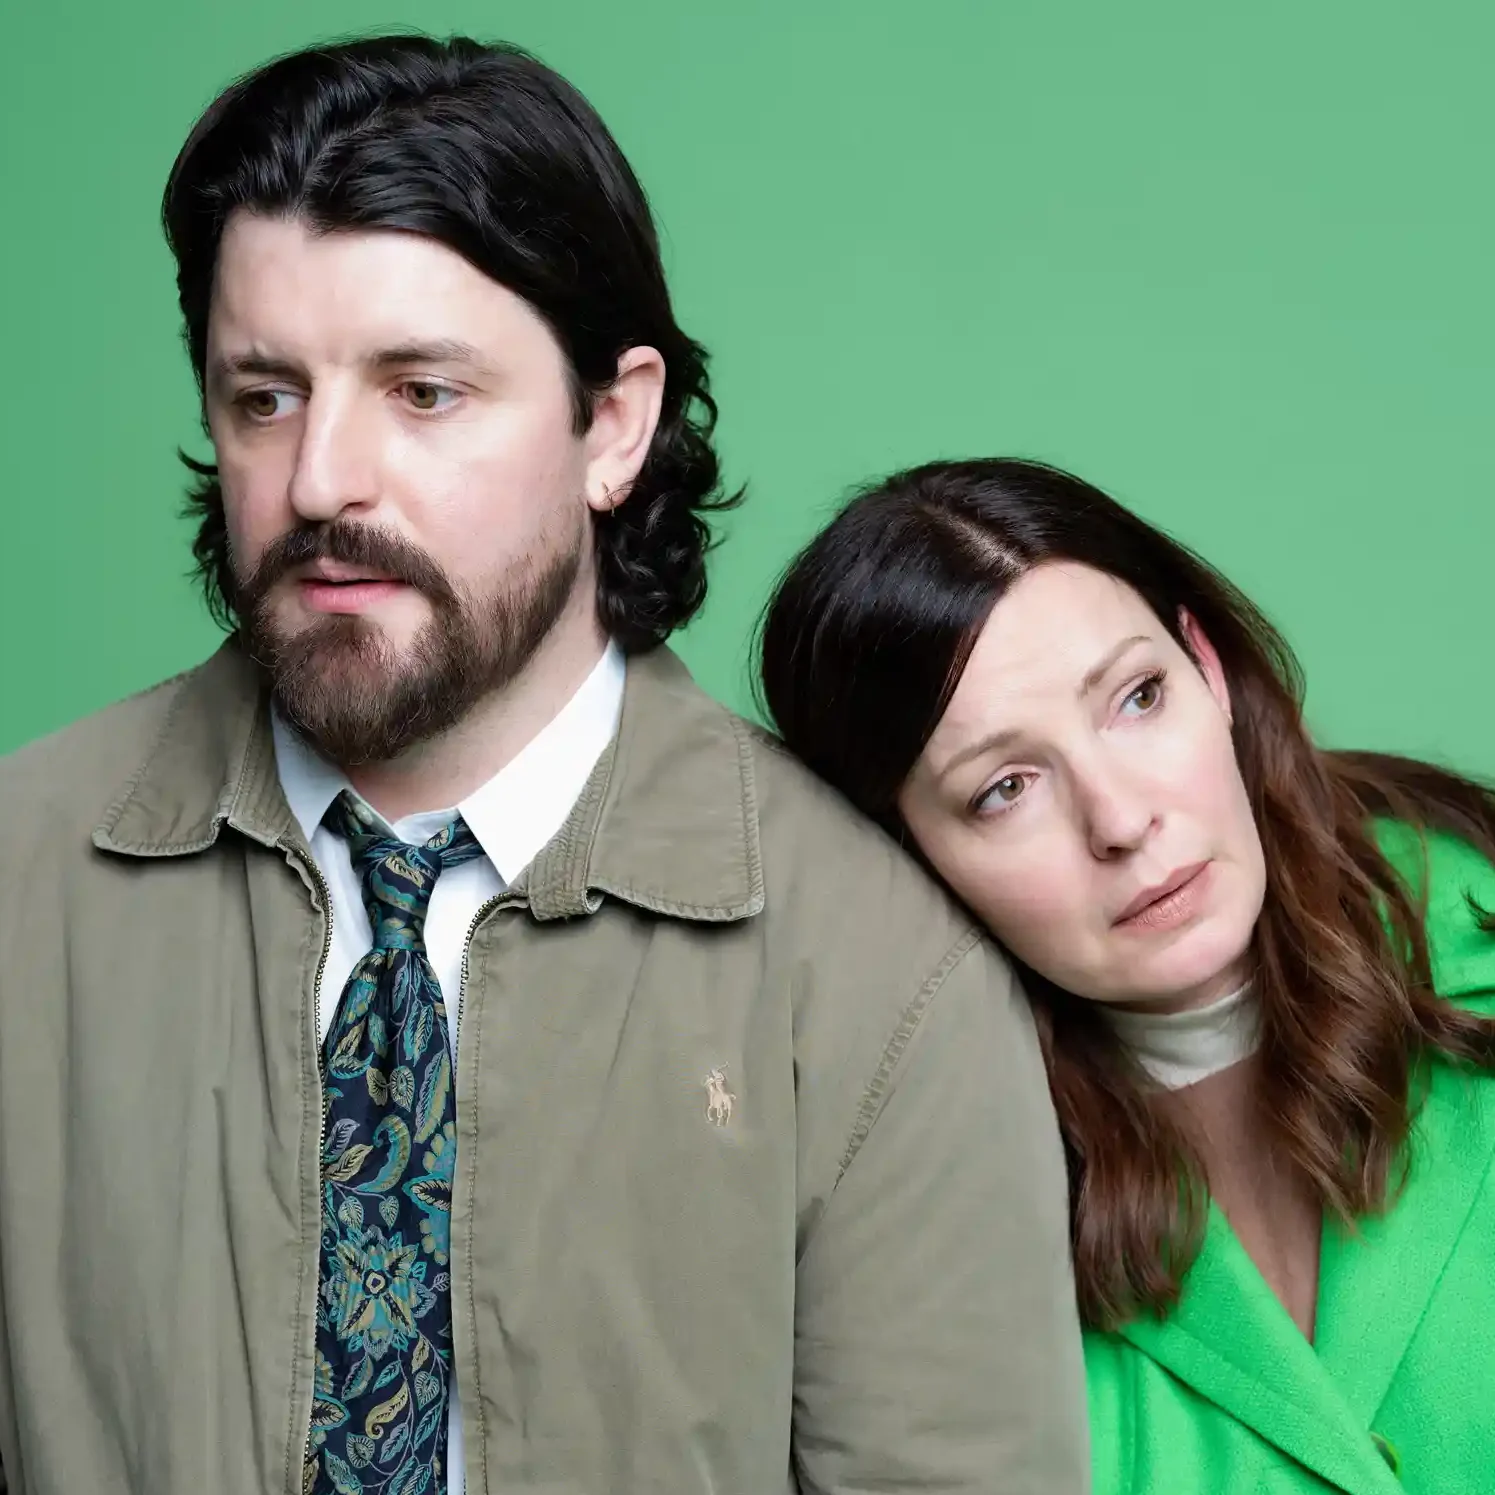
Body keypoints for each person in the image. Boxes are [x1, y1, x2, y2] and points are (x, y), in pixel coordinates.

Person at [0, 37, 1089, 1495]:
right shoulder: (19, 882)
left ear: (612, 424)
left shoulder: (880, 971)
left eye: (423, 391)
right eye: (262, 395)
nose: (321, 478)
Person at [759, 456, 1495, 1495]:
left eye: (1137, 697)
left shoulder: (1476, 931)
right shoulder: (907, 1227)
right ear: (904, 856)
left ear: (1205, 665)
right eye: (1004, 788)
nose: (1119, 819)